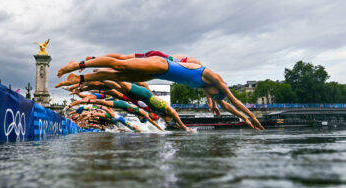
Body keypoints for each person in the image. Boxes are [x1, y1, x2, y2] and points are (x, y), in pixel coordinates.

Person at [56, 55, 264, 130]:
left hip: (160, 74)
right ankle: (78, 65)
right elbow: (234, 100)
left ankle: (80, 79)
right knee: (120, 66)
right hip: (163, 66)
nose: (214, 99)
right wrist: (252, 116)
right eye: (215, 97)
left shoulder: (208, 89)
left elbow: (226, 105)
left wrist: (244, 120)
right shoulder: (214, 78)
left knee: (119, 76)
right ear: (218, 88)